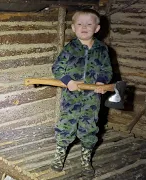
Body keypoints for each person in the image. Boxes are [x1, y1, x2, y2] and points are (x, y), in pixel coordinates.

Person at [51, 9, 113, 176]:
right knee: (66, 125)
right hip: (71, 97)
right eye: (80, 24)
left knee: (89, 128)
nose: (84, 27)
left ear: (97, 28)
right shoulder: (70, 48)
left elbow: (106, 70)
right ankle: (59, 156)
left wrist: (101, 82)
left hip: (92, 98)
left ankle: (86, 160)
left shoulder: (102, 49)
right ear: (73, 27)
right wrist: (68, 82)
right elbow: (57, 68)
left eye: (89, 24)